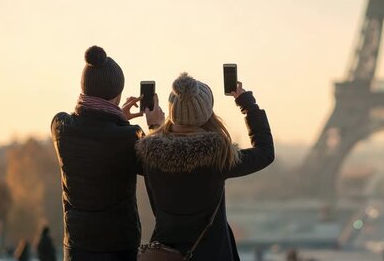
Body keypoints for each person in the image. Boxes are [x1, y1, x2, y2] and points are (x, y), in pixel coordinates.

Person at [136, 73, 274, 260]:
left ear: (172, 112)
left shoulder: (150, 155)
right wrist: (247, 104)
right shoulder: (218, 158)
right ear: (207, 113)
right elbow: (265, 152)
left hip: (165, 255)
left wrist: (152, 127)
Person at [51, 46, 164, 261]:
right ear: (118, 94)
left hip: (77, 245)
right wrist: (155, 128)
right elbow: (156, 168)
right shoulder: (129, 136)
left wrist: (116, 118)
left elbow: (92, 129)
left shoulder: (60, 126)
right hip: (118, 246)